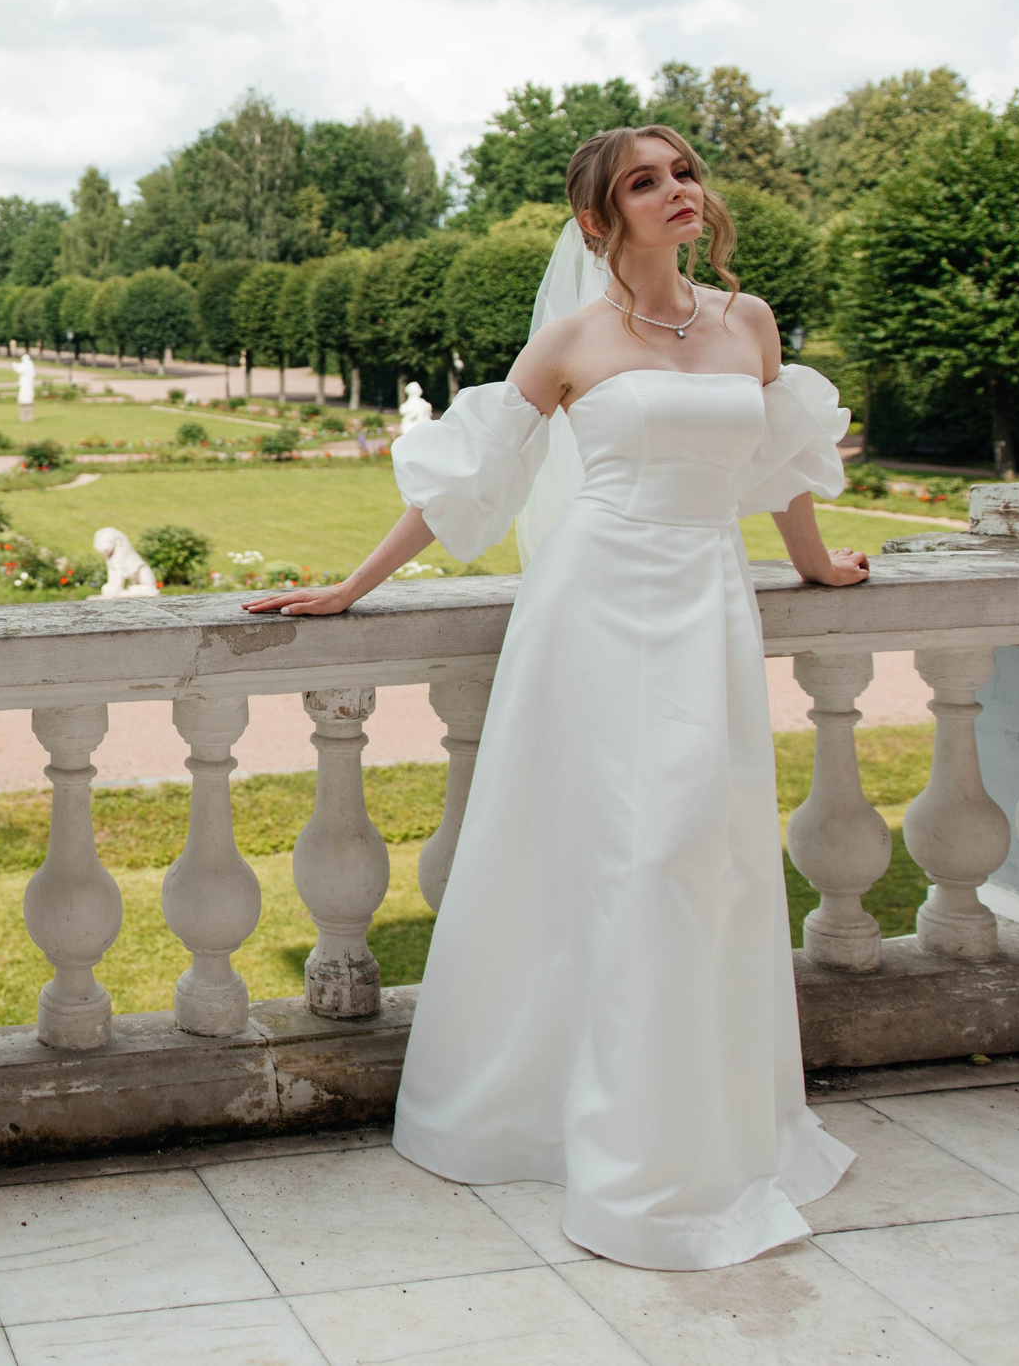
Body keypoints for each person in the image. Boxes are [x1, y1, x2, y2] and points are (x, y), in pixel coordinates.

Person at [244, 124, 868, 1271]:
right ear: (599, 219)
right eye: (645, 182)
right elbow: (473, 478)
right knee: (623, 856)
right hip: (594, 609)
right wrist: (350, 586)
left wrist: (818, 567)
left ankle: (704, 1124)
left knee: (705, 853)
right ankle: (609, 1143)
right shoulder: (573, 339)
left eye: (682, 172)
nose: (677, 191)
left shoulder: (747, 323)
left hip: (708, 604)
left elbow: (777, 468)